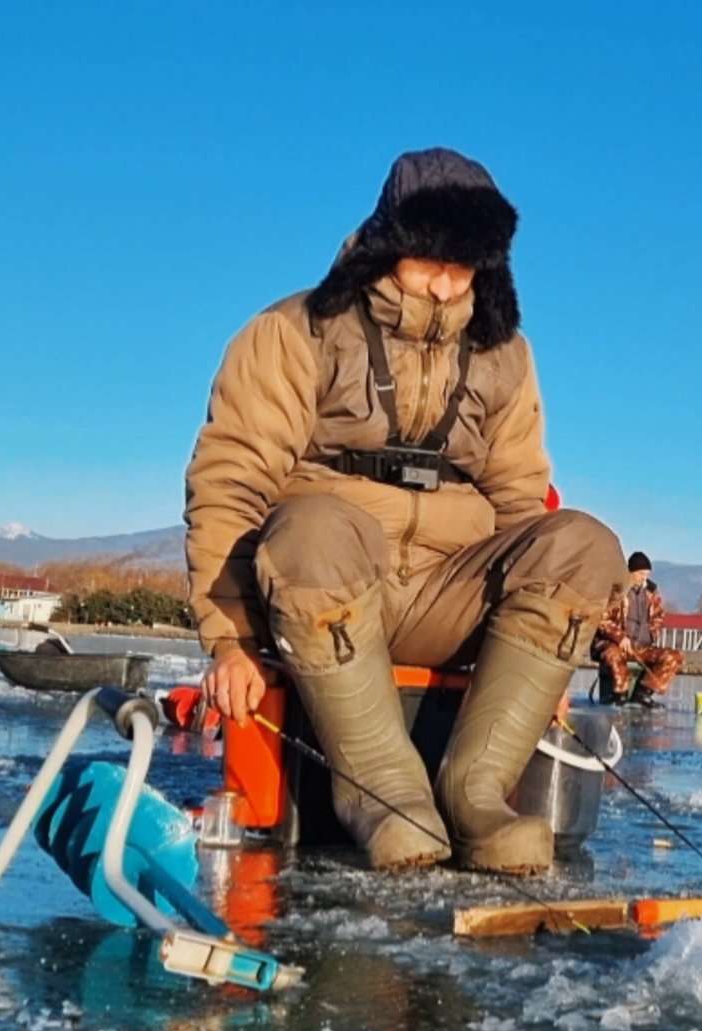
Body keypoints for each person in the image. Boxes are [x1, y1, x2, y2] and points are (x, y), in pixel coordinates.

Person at [185, 148, 623, 876]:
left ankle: (475, 797)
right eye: (430, 260)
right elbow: (229, 483)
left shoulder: (507, 355)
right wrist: (229, 641)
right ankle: (387, 797)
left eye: (466, 265)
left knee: (583, 543)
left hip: (451, 596)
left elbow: (521, 504)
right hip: (331, 590)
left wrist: (544, 670)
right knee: (311, 527)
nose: (448, 285)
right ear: (390, 243)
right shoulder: (295, 330)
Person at [591, 551, 685, 706]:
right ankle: (619, 695)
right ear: (630, 572)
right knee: (613, 655)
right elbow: (601, 617)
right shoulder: (615, 589)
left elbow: (659, 617)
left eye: (647, 574)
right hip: (613, 644)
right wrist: (620, 638)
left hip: (641, 647)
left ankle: (643, 694)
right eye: (641, 573)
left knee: (674, 656)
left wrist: (652, 635)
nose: (644, 578)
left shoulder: (651, 592)